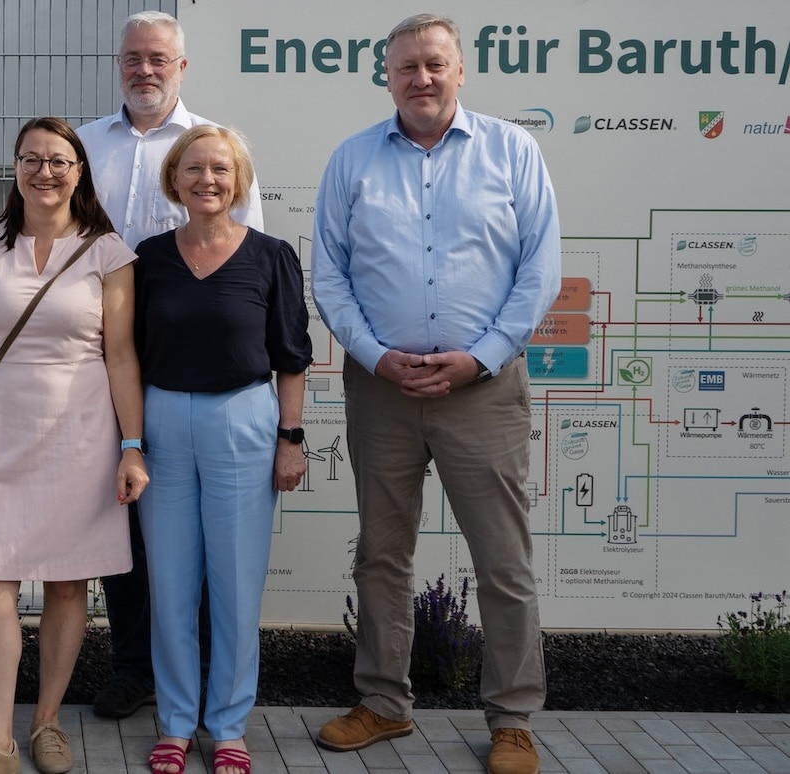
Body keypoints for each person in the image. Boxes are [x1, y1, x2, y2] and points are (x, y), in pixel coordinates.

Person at [310, 14, 560, 774]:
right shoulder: (351, 159)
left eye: (434, 64)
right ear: (385, 77)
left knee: (502, 560)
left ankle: (511, 718)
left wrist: (479, 357)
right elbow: (330, 275)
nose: (420, 78)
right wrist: (376, 356)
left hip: (480, 390)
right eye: (405, 67)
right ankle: (383, 704)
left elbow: (538, 269)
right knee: (381, 555)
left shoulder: (512, 150)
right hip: (381, 389)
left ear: (460, 71)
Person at [0, 117, 148, 774]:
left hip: (83, 436)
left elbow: (120, 356)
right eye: (30, 159)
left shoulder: (107, 252)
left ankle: (47, 722)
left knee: (66, 587)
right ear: (15, 169)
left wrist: (131, 445)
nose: (44, 172)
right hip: (1, 433)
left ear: (79, 171)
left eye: (59, 160)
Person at [75, 9, 264, 720]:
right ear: (117, 64)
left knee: (208, 543)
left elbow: (253, 259)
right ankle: (134, 667)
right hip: (95, 362)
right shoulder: (85, 145)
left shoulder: (213, 146)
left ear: (181, 67)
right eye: (132, 57)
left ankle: (214, 684)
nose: (144, 69)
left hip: (186, 368)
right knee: (124, 522)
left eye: (158, 58)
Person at [134, 125, 311, 774]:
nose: (207, 180)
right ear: (173, 180)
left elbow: (291, 357)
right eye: (193, 169)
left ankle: (228, 726)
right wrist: (129, 440)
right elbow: (124, 355)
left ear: (237, 182)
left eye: (220, 170)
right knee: (171, 585)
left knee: (235, 586)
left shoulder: (270, 256)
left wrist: (289, 441)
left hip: (243, 421)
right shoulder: (147, 257)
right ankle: (175, 725)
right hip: (161, 424)